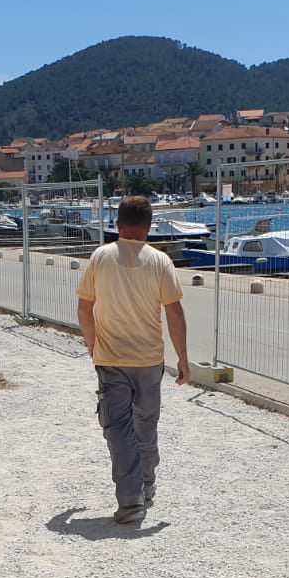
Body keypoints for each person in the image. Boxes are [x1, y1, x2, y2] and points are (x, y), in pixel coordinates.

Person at [76, 196, 190, 524]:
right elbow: (174, 313)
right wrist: (183, 359)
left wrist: (92, 344)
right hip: (149, 360)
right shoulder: (160, 261)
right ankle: (147, 485)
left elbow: (84, 307)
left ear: (117, 224)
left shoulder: (100, 257)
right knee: (146, 425)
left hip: (111, 358)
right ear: (149, 227)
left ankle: (130, 501)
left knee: (118, 429)